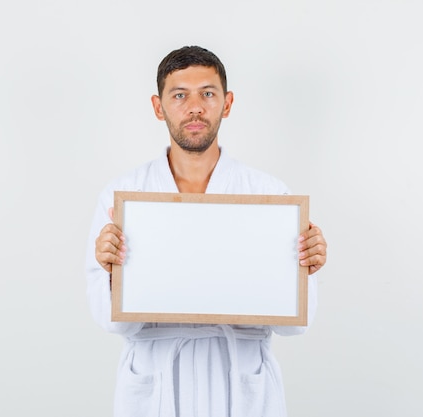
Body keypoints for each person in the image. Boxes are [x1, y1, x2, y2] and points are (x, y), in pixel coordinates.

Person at [85, 45, 327, 417]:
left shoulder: (270, 196)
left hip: (239, 376)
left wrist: (305, 268)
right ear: (158, 106)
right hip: (157, 379)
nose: (195, 107)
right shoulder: (121, 199)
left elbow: (296, 326)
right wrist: (110, 272)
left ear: (227, 104)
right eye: (179, 95)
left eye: (208, 94)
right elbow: (110, 320)